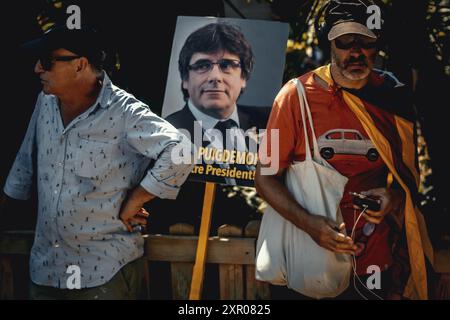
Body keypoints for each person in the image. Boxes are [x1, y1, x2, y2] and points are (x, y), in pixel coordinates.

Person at [255, 0, 434, 300]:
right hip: (310, 255)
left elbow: (406, 179)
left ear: (377, 45)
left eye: (365, 42)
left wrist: (392, 198)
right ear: (330, 44)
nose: (355, 52)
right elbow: (264, 177)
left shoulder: (394, 98)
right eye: (345, 42)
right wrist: (311, 226)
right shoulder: (294, 97)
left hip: (374, 257)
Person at [0, 25, 194, 300]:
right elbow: (23, 166)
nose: (37, 69)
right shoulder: (44, 102)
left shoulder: (124, 112)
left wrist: (137, 199)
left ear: (80, 64)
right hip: (45, 270)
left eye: (46, 61)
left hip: (104, 274)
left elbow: (182, 150)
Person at [166, 22, 261, 186]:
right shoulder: (167, 133)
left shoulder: (269, 121)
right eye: (203, 65)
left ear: (243, 78)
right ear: (185, 79)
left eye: (226, 65)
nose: (215, 77)